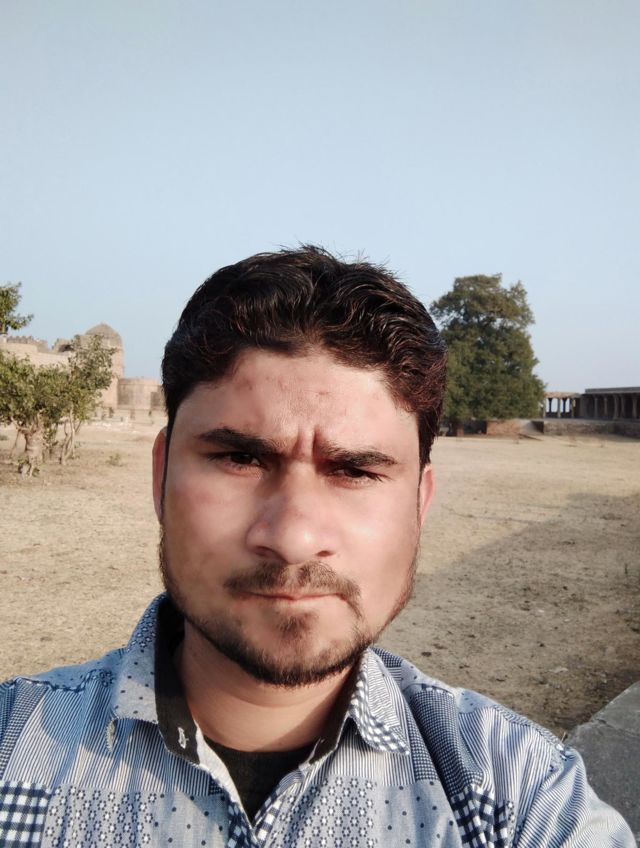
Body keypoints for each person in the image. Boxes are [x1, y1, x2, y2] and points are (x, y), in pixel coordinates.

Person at [0, 246, 633, 847]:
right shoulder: (13, 748)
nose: (293, 538)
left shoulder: (520, 796)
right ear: (161, 474)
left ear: (420, 503)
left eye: (356, 470)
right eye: (240, 458)